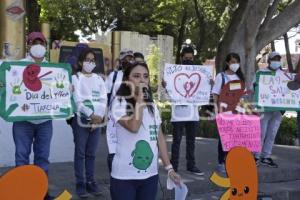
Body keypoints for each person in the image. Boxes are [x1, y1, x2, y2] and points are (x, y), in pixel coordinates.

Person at [110, 61, 181, 200]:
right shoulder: (119, 103)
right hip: (124, 176)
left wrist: (169, 168)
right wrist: (140, 101)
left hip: (150, 176)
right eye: (136, 76)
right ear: (126, 80)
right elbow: (134, 127)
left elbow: (159, 137)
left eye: (145, 76)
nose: (142, 80)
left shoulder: (151, 106)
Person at [12, 32, 53, 200]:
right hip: (23, 120)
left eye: (41, 42)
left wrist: (66, 90)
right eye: (34, 42)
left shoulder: (54, 69)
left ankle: (41, 192)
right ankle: (22, 193)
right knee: (21, 157)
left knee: (42, 158)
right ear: (28, 45)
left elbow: (59, 90)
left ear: (45, 46)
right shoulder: (17, 67)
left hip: (44, 121)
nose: (38, 45)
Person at [71, 48, 107, 198]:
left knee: (91, 154)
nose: (90, 63)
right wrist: (91, 115)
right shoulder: (75, 78)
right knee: (80, 154)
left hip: (96, 121)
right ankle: (80, 183)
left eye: (93, 60)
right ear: (80, 62)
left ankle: (91, 182)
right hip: (80, 120)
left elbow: (103, 98)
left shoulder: (99, 79)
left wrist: (97, 117)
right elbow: (77, 100)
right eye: (87, 60)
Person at [162, 46, 203, 175]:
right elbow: (167, 95)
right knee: (177, 141)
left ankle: (191, 165)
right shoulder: (173, 73)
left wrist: (209, 84)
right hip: (178, 114)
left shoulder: (199, 74)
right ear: (181, 58)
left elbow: (203, 91)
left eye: (191, 58)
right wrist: (165, 87)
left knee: (191, 142)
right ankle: (174, 166)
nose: (188, 60)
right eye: (186, 58)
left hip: (193, 114)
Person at [211, 52, 245, 173]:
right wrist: (216, 110)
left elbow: (241, 96)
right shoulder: (221, 76)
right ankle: (221, 162)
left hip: (237, 112)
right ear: (227, 63)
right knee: (224, 139)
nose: (235, 64)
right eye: (232, 62)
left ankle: (231, 161)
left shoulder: (239, 78)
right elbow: (215, 94)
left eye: (237, 62)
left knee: (235, 139)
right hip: (224, 112)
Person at [105, 48, 135, 172]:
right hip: (114, 120)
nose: (128, 61)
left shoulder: (134, 76)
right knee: (113, 150)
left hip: (131, 117)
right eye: (125, 59)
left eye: (130, 59)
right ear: (120, 61)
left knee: (129, 149)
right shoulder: (113, 76)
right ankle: (114, 176)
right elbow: (106, 95)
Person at [253, 52, 284, 168]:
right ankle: (256, 155)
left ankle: (266, 156)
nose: (276, 61)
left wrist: (284, 108)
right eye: (274, 59)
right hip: (264, 109)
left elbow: (287, 92)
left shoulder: (283, 75)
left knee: (272, 134)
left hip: (278, 110)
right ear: (269, 60)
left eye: (278, 59)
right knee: (261, 133)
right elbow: (253, 87)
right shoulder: (260, 73)